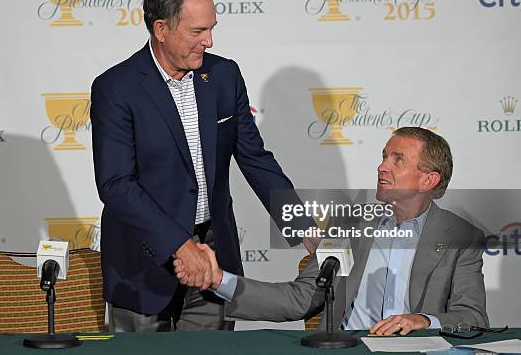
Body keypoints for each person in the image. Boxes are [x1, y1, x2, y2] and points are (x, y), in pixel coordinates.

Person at [90, 0, 313, 332]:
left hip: (214, 254)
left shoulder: (224, 76)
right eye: (197, 32)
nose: (208, 41)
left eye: (211, 29)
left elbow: (255, 158)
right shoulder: (116, 88)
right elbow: (116, 184)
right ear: (161, 29)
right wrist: (180, 246)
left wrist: (302, 225)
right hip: (144, 261)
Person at [175, 127, 489, 335]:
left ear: (428, 181)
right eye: (383, 157)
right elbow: (298, 299)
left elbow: (472, 317)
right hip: (348, 347)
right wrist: (219, 280)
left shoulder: (460, 237)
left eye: (398, 160)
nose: (382, 167)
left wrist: (423, 320)